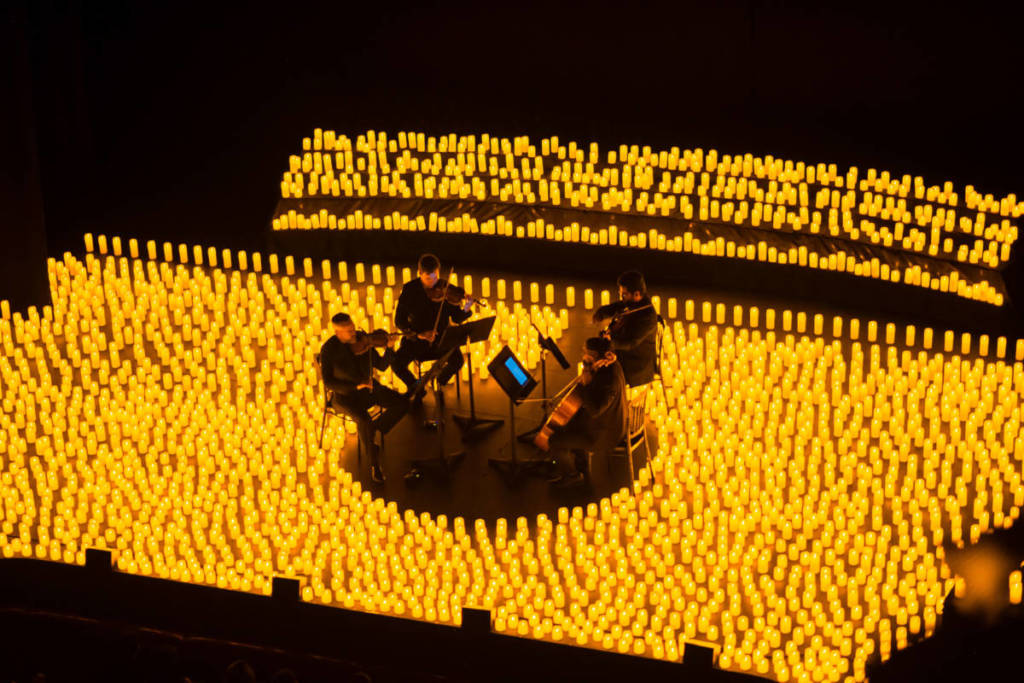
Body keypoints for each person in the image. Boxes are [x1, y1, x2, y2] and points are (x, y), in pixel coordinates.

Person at [319, 312, 408, 483]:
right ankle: (375, 465)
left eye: (353, 328)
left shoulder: (364, 341)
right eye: (349, 332)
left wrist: (389, 348)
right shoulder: (329, 350)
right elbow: (328, 382)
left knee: (402, 403)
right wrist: (355, 386)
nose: (355, 333)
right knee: (363, 420)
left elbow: (381, 366)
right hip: (345, 397)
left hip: (369, 389)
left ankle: (374, 429)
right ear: (338, 333)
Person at [547, 336, 627, 488]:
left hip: (604, 434)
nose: (584, 356)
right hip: (605, 422)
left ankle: (572, 475)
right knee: (568, 425)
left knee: (554, 441)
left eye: (589, 354)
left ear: (600, 356)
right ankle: (580, 462)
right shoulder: (610, 363)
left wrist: (584, 386)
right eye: (584, 351)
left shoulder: (609, 381)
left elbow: (596, 410)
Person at [392, 253, 472, 399]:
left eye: (435, 277)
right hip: (417, 340)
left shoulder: (445, 288)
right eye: (428, 279)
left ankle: (439, 381)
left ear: (438, 272)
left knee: (458, 361)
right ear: (419, 273)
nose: (433, 283)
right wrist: (418, 334)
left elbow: (457, 318)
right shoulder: (409, 290)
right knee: (397, 364)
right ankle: (417, 387)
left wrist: (466, 308)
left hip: (442, 339)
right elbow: (399, 321)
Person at [592, 270, 659, 387]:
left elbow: (631, 343)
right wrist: (602, 313)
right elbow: (617, 306)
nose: (621, 298)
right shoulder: (633, 302)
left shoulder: (647, 316)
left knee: (603, 371)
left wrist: (610, 342)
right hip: (624, 352)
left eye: (624, 294)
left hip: (636, 362)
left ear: (636, 294)